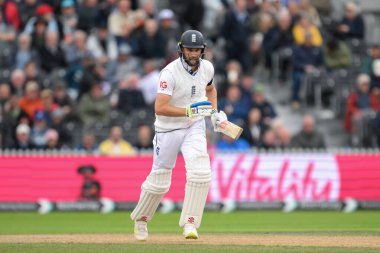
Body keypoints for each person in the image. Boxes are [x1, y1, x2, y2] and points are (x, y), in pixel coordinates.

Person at [130, 30, 226, 241]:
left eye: (197, 50)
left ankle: (190, 223)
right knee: (160, 180)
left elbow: (210, 91)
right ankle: (142, 220)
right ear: (181, 49)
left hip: (194, 126)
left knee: (201, 172)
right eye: (189, 49)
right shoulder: (169, 73)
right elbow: (160, 107)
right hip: (168, 129)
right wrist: (188, 111)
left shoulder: (207, 68)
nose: (193, 53)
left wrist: (215, 113)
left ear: (202, 50)